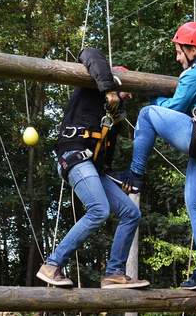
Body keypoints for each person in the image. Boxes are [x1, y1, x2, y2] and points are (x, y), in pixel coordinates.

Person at [109, 21, 196, 289]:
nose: (178, 57)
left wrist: (153, 98)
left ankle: (135, 175)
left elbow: (174, 107)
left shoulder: (195, 75)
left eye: (180, 51)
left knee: (147, 114)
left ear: (192, 49)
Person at [37, 47, 149, 289]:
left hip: (94, 168)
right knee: (99, 210)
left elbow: (104, 159)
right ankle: (52, 265)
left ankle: (114, 273)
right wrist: (108, 88)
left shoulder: (113, 115)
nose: (127, 97)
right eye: (126, 91)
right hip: (73, 156)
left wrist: (121, 178)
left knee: (131, 213)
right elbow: (89, 53)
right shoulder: (91, 86)